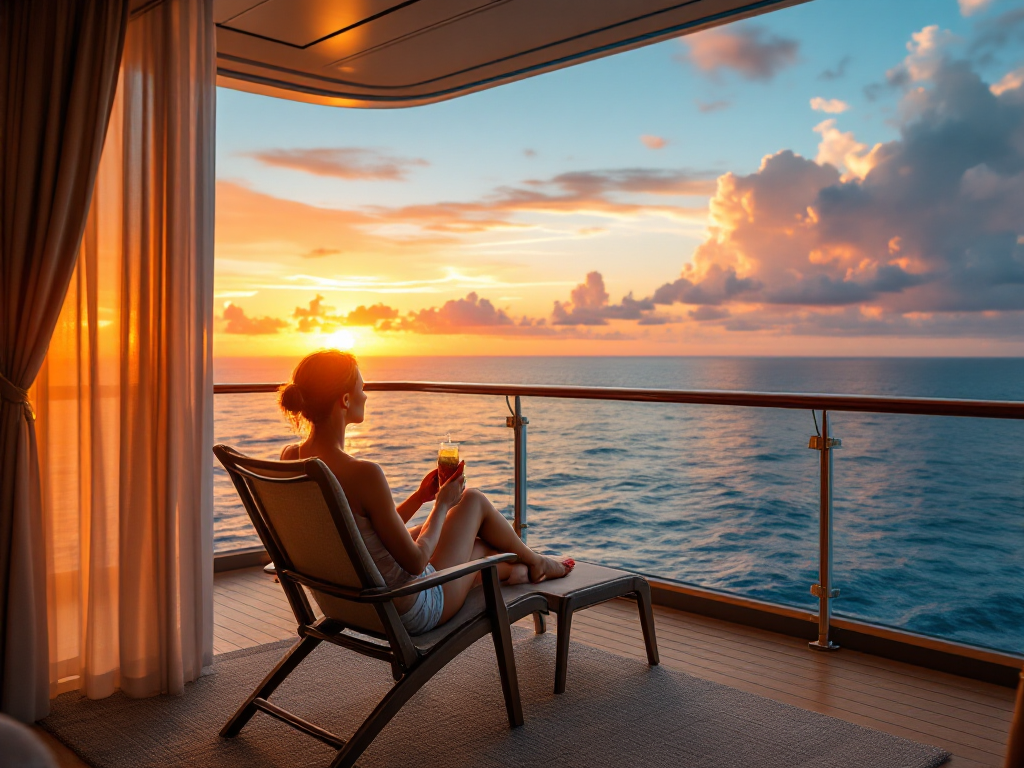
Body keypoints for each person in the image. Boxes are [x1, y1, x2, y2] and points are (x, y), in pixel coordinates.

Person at [278, 349, 574, 636]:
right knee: (472, 501)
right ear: (345, 400)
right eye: (361, 387)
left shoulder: (291, 458)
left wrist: (420, 498)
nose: (366, 395)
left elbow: (362, 531)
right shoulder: (364, 473)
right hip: (408, 609)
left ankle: (523, 568)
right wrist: (442, 504)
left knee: (479, 547)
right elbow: (417, 562)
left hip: (347, 603)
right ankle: (534, 562)